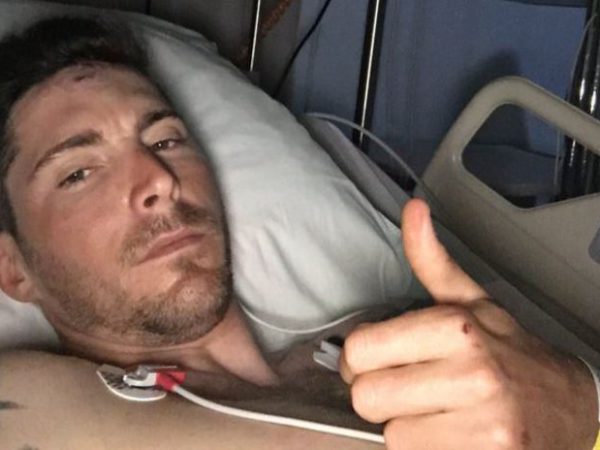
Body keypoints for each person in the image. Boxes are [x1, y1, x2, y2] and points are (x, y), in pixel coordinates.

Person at [0, 15, 597, 450]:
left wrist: (578, 405)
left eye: (165, 140)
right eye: (77, 173)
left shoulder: (405, 336)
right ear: (13, 268)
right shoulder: (27, 400)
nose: (157, 179)